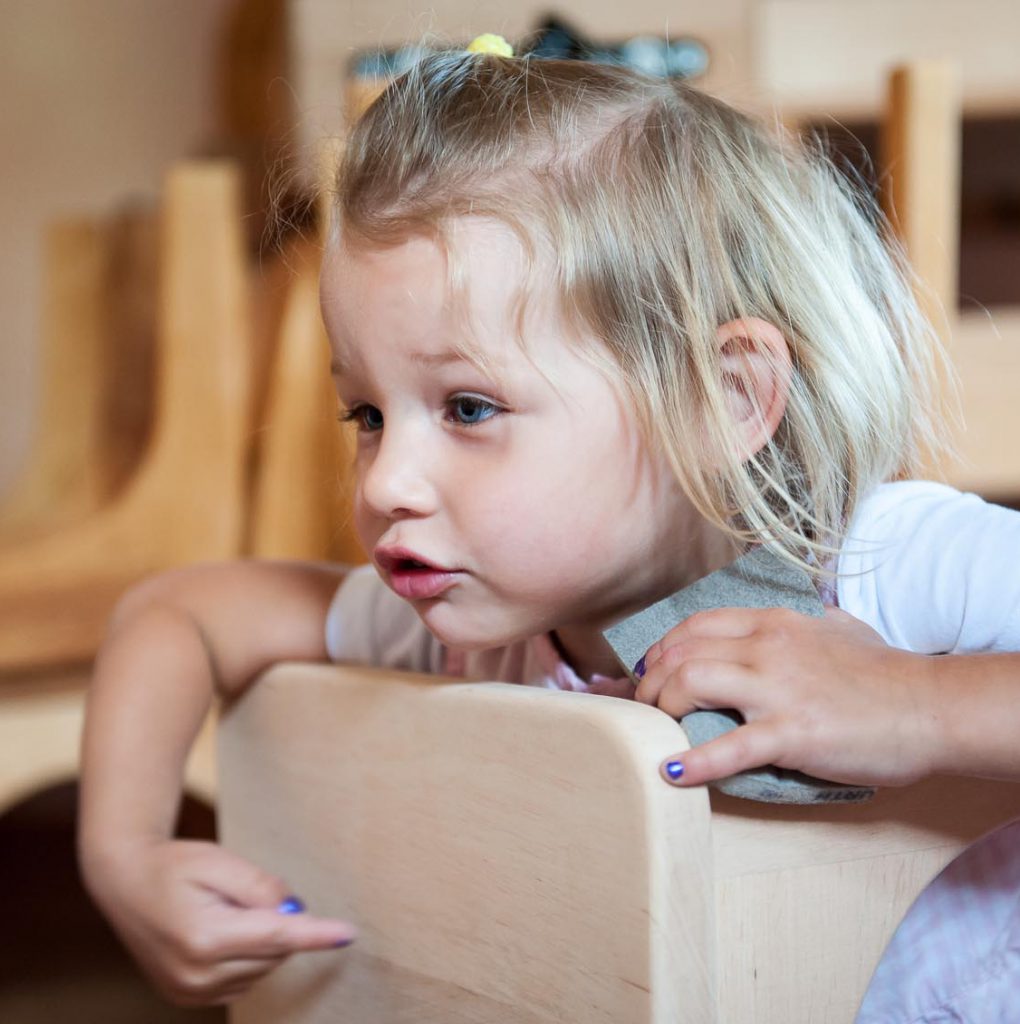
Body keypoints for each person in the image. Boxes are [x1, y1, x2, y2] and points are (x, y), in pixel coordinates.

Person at [78, 38, 1020, 1013]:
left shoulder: (886, 565)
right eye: (365, 414)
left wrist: (916, 705)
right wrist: (125, 851)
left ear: (724, 400)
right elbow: (178, 614)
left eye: (469, 408)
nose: (389, 480)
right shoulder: (475, 621)